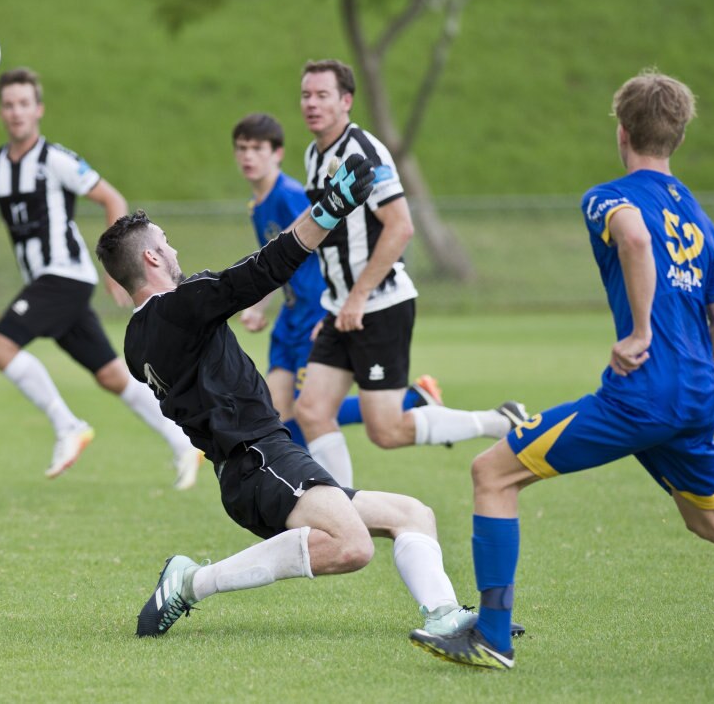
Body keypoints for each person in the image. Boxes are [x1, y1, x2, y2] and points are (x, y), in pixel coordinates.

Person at [95, 157, 524, 640]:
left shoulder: (136, 343)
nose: (173, 248)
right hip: (258, 460)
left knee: (412, 515)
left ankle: (445, 614)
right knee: (352, 547)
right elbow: (259, 271)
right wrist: (329, 209)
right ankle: (191, 581)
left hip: (255, 464)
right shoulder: (180, 307)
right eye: (165, 242)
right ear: (151, 259)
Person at [409, 70, 714, 671]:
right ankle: (491, 630)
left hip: (643, 397)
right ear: (679, 136)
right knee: (710, 522)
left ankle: (493, 638)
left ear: (622, 132)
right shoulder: (701, 221)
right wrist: (679, 369)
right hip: (697, 393)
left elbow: (634, 240)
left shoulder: (609, 197)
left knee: (492, 473)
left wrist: (640, 335)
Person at [0, 67, 201, 489]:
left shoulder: (56, 160)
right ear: (1, 112)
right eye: (9, 105)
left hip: (64, 276)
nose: (16, 113)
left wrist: (116, 270)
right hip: (50, 283)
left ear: (39, 110)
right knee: (111, 375)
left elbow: (111, 198)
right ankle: (182, 440)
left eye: (24, 104)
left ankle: (67, 426)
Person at [293, 60, 527, 487]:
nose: (311, 103)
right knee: (310, 410)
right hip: (343, 307)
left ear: (346, 101)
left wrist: (359, 296)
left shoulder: (363, 151)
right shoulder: (314, 155)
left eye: (322, 95)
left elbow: (401, 226)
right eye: (306, 95)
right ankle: (343, 507)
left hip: (378, 304)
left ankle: (499, 422)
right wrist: (332, 306)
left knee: (386, 431)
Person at [232, 112, 445, 449]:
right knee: (277, 408)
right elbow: (275, 263)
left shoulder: (288, 195)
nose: (247, 156)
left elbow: (320, 241)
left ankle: (410, 402)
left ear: (277, 153)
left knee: (309, 409)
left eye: (257, 148)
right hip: (290, 317)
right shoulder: (256, 205)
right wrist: (259, 305)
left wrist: (328, 310)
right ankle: (307, 487)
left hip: (313, 310)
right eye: (242, 148)